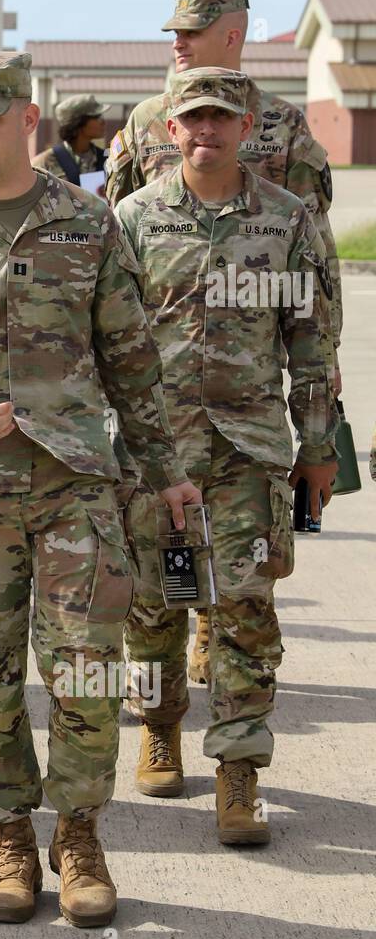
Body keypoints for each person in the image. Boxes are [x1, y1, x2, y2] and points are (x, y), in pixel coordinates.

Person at [0, 51, 200, 927]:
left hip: (75, 488)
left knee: (85, 670)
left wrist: (167, 474)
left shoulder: (88, 225)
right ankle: (11, 836)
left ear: (28, 119)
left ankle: (81, 835)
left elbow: (133, 362)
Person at [115, 68, 337, 843]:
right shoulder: (135, 219)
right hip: (156, 454)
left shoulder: (287, 220)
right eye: (192, 120)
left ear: (247, 129)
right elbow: (107, 339)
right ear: (170, 131)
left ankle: (239, 773)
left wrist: (319, 448)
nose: (206, 132)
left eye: (222, 119)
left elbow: (311, 345)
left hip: (249, 452)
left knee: (245, 609)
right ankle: (160, 728)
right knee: (153, 606)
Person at [106, 0, 342, 690]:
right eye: (174, 32)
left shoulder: (286, 129)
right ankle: (163, 713)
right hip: (163, 404)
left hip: (247, 401)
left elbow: (316, 279)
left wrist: (323, 415)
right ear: (174, 130)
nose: (177, 42)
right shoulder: (144, 121)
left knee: (241, 583)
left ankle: (218, 632)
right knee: (156, 582)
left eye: (191, 31)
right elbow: (112, 261)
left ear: (232, 33)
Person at [32, 93, 108, 188]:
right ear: (79, 123)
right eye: (97, 117)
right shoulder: (44, 163)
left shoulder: (107, 160)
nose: (103, 122)